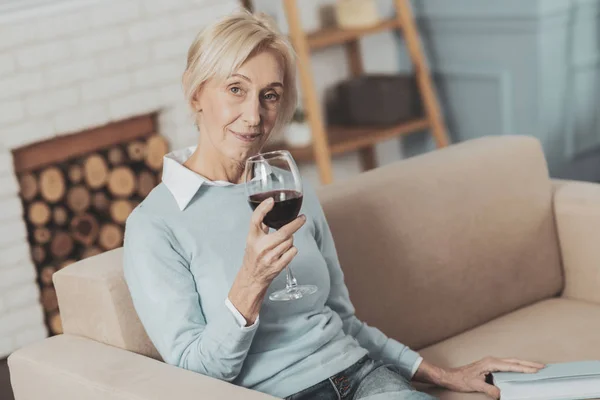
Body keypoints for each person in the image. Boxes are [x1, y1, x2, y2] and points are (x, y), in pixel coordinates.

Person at [123, 10, 545, 400]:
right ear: (196, 93)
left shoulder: (288, 189)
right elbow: (194, 374)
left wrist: (440, 374)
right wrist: (249, 284)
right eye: (236, 89)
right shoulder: (156, 225)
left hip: (363, 376)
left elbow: (343, 319)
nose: (254, 115)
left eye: (270, 95)